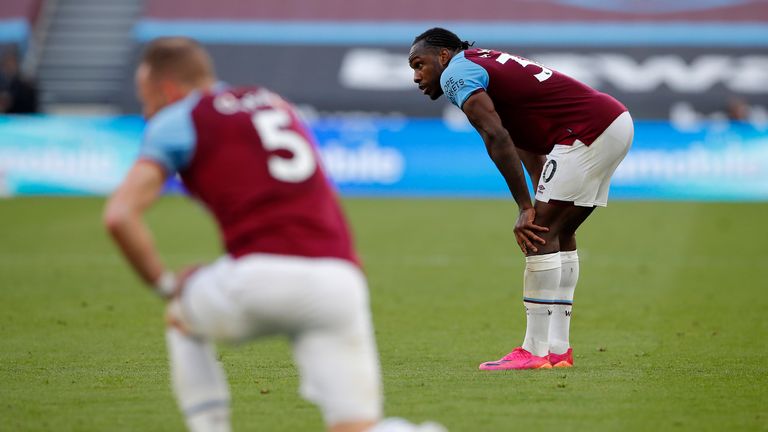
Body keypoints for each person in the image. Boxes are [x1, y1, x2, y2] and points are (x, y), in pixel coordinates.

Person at [104, 37, 444, 432]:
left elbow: (120, 215)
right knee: (358, 427)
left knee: (181, 315)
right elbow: (317, 188)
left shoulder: (180, 117)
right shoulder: (270, 101)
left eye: (147, 101)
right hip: (339, 280)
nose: (147, 114)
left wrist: (165, 285)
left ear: (168, 90)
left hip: (260, 275)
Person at [408, 28, 633, 371]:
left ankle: (534, 351)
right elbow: (523, 141)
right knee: (558, 232)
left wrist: (526, 208)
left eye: (418, 64)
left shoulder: (456, 72)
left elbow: (495, 135)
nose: (416, 76)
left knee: (537, 232)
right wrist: (537, 195)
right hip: (609, 122)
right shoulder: (483, 64)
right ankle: (558, 350)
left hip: (585, 131)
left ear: (442, 56)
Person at [0, 46, 39, 114]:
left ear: (17, 65)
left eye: (11, 64)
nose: (9, 67)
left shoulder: (26, 86)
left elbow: (30, 108)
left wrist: (12, 101)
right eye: (7, 64)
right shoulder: (2, 84)